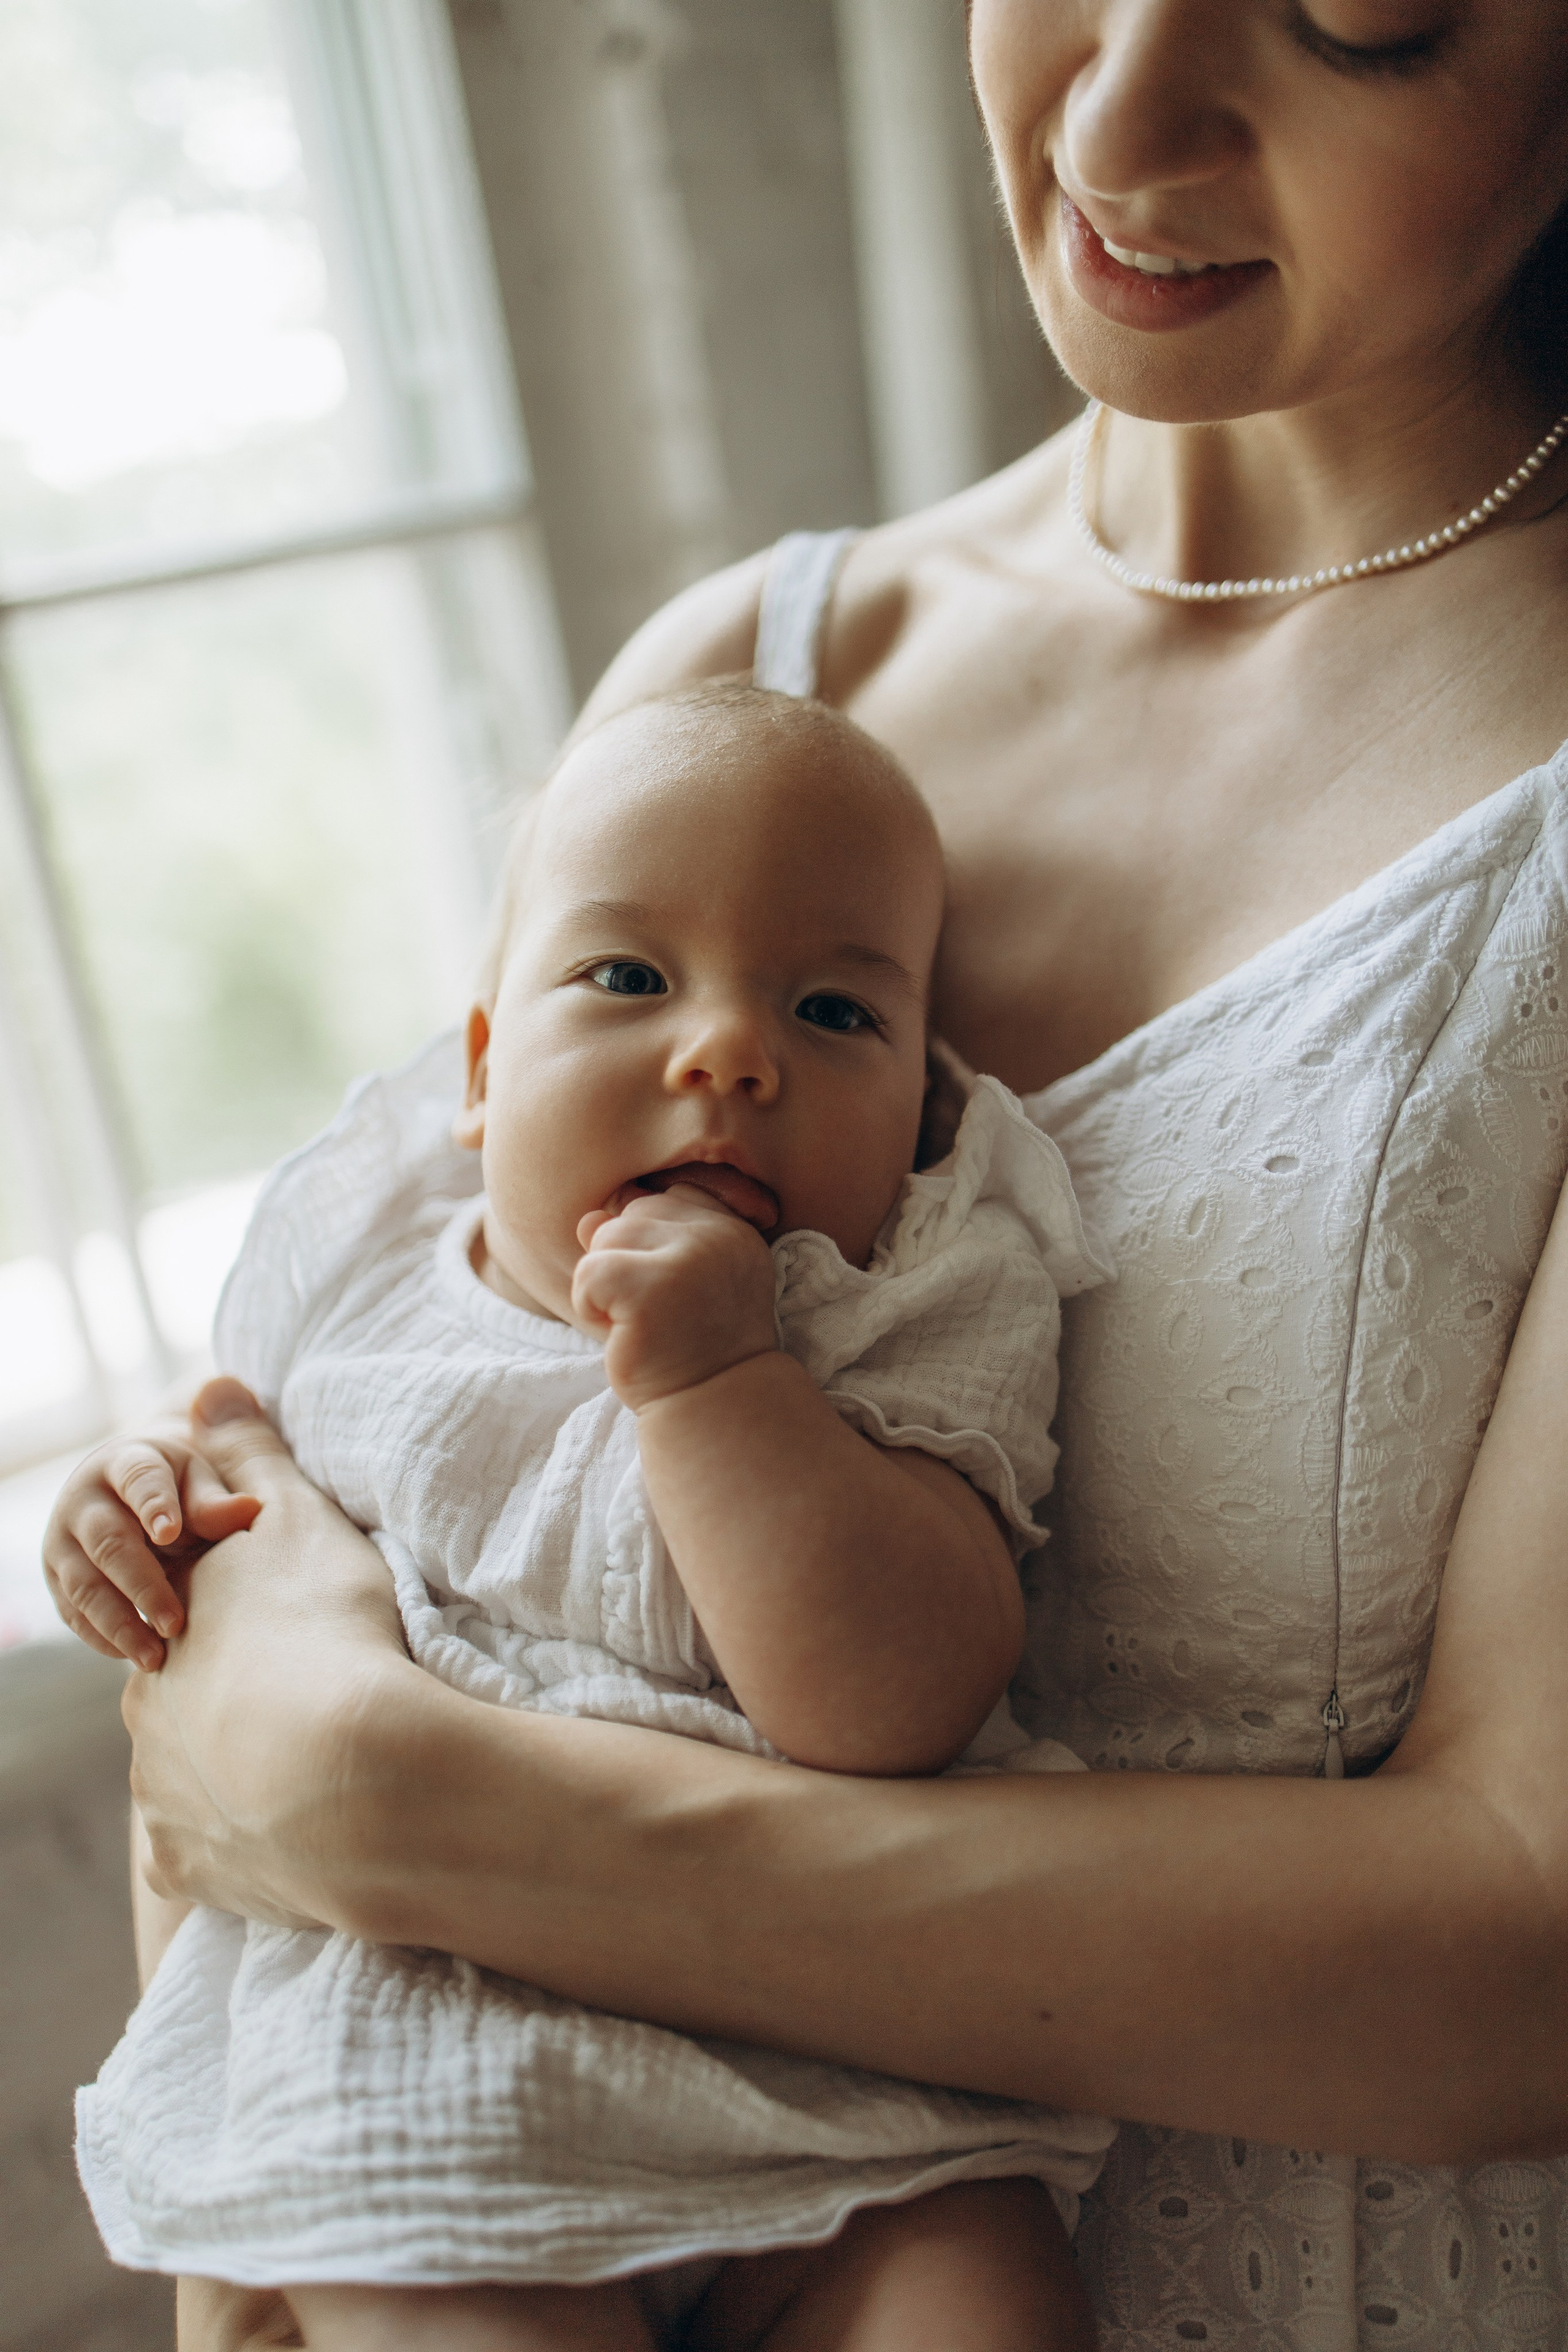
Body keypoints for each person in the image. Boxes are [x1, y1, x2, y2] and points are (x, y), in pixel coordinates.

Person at [44, 1, 1568, 2343]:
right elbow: (374, 1480)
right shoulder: (756, 678)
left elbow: (1524, 1964)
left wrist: (388, 1799)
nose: (1122, 116)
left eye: (1356, 18)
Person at [59, 685, 1115, 2351]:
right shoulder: (369, 1286)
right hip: (426, 2048)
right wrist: (135, 1505)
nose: (730, 1053)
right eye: (629, 979)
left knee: (984, 2305)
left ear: (925, 1115)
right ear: (485, 1071)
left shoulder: (900, 1307)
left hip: (836, 2061)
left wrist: (722, 1383)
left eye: (834, 1011)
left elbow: (896, 1701)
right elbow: (232, 1511)